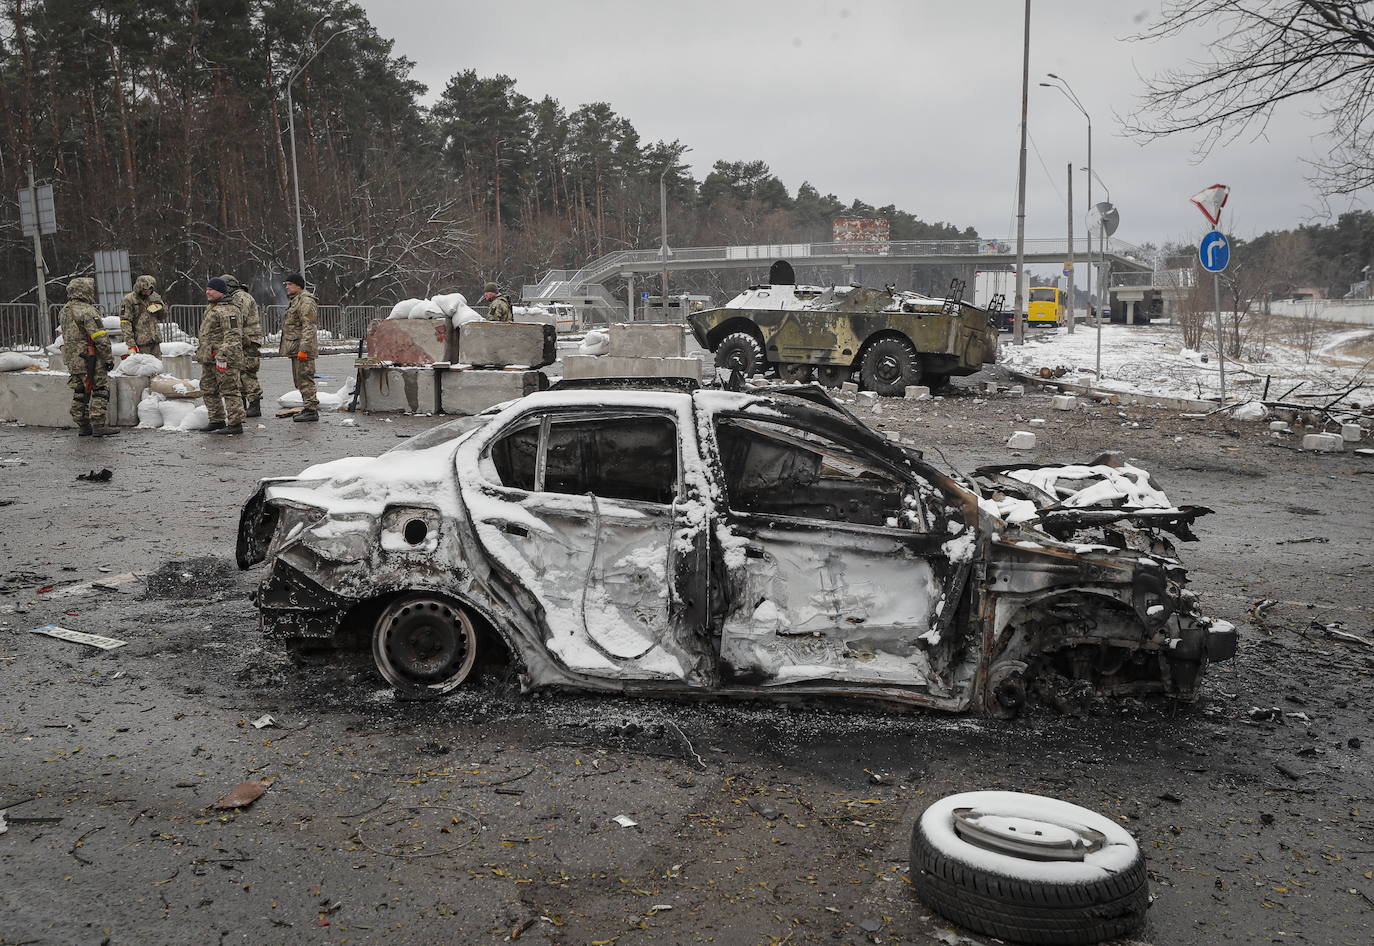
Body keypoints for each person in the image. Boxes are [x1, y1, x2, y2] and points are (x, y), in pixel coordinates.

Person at [59, 277, 119, 437]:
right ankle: (98, 425)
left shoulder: (64, 310)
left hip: (73, 360)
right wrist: (108, 359)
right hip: (90, 358)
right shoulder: (88, 311)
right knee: (100, 389)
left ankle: (83, 425)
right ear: (86, 291)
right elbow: (100, 337)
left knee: (80, 391)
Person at [197, 277, 245, 435]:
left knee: (229, 389)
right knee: (208, 388)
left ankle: (235, 423)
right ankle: (216, 419)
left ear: (220, 292)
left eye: (211, 289)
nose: (207, 292)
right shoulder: (212, 308)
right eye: (207, 289)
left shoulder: (229, 310)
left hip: (224, 358)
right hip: (209, 357)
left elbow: (233, 335)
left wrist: (222, 355)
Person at [220, 274, 263, 417]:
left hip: (248, 341)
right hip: (242, 340)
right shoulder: (238, 296)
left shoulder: (240, 297)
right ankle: (244, 404)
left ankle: (254, 404)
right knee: (239, 373)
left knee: (247, 373)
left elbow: (238, 318)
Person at [280, 272, 319, 423]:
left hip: (303, 348)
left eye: (289, 284)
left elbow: (309, 326)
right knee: (300, 379)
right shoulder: (295, 300)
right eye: (286, 285)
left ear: (298, 285)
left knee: (305, 378)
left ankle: (311, 410)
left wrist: (304, 348)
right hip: (296, 348)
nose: (287, 287)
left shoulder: (306, 301)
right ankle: (308, 407)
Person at [117, 274, 164, 357]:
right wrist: (131, 343)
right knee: (143, 367)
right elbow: (125, 322)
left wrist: (160, 308)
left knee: (157, 367)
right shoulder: (129, 299)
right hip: (140, 342)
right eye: (146, 289)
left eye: (150, 289)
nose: (148, 291)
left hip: (155, 340)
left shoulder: (155, 297)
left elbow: (163, 316)